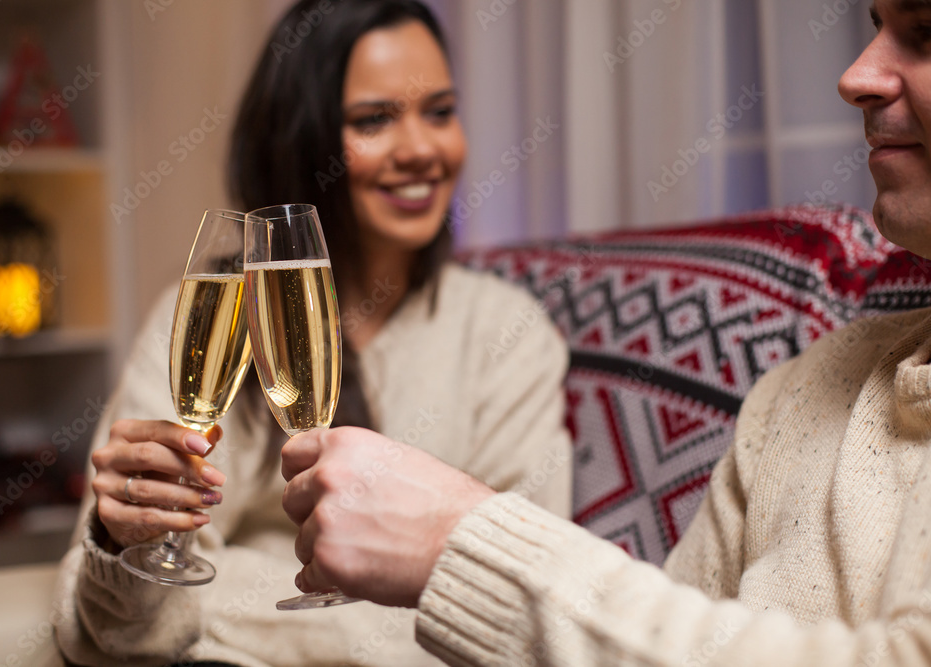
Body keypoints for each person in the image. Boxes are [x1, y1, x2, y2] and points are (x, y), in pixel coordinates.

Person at [281, 1, 931, 664]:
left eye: (927, 31)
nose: (855, 75)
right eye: (373, 119)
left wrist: (458, 541)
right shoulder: (802, 389)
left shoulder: (502, 331)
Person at [52, 1, 572, 666]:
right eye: (374, 119)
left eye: (439, 111)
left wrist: (223, 593)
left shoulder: (510, 334)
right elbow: (114, 631)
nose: (420, 148)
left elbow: (519, 608)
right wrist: (125, 542)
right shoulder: (217, 310)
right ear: (305, 140)